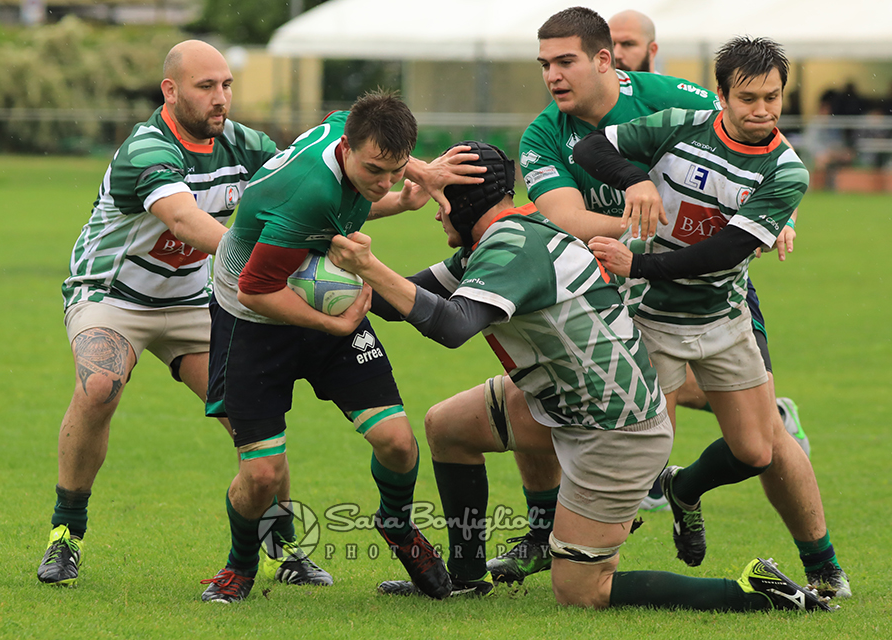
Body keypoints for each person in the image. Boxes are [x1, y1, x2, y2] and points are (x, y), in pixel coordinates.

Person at [328, 140, 832, 613]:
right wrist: (329, 271)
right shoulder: (505, 234)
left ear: (466, 201)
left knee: (580, 591)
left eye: (442, 198)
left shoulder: (511, 248)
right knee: (449, 426)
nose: (436, 210)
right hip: (571, 402)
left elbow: (452, 325)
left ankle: (755, 592)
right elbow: (409, 300)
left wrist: (369, 267)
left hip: (616, 430)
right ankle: (465, 576)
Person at [488, 6, 808, 586]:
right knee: (551, 413)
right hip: (617, 284)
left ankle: (821, 562)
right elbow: (567, 219)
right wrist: (651, 216)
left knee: (765, 445)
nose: (553, 76)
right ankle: (558, 539)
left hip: (710, 282)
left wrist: (760, 222)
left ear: (607, 59)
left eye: (566, 61)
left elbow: (741, 151)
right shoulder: (543, 134)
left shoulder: (670, 97)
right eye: (545, 65)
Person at [577, 36, 849, 599]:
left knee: (757, 450)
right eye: (749, 98)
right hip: (649, 319)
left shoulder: (786, 171)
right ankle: (584, 568)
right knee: (638, 459)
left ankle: (686, 490)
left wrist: (637, 264)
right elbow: (591, 147)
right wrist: (636, 177)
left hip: (723, 318)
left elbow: (722, 253)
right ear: (721, 95)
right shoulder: (683, 123)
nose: (764, 111)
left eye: (773, 97)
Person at [38, 39, 294, 587]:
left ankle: (285, 547)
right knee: (100, 385)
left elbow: (312, 183)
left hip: (191, 301)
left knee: (253, 415)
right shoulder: (148, 149)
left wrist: (397, 189)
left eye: (226, 84)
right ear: (171, 90)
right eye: (207, 87)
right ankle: (66, 534)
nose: (221, 97)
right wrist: (257, 258)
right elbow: (183, 220)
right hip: (111, 296)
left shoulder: (245, 144)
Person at [198, 91, 455, 604]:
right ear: (347, 148)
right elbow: (256, 287)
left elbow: (374, 174)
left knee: (399, 443)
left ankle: (398, 527)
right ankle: (239, 565)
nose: (385, 183)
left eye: (396, 169)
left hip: (318, 295)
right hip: (253, 317)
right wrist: (332, 328)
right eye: (375, 171)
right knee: (263, 472)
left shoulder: (352, 126)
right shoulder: (310, 195)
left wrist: (417, 179)